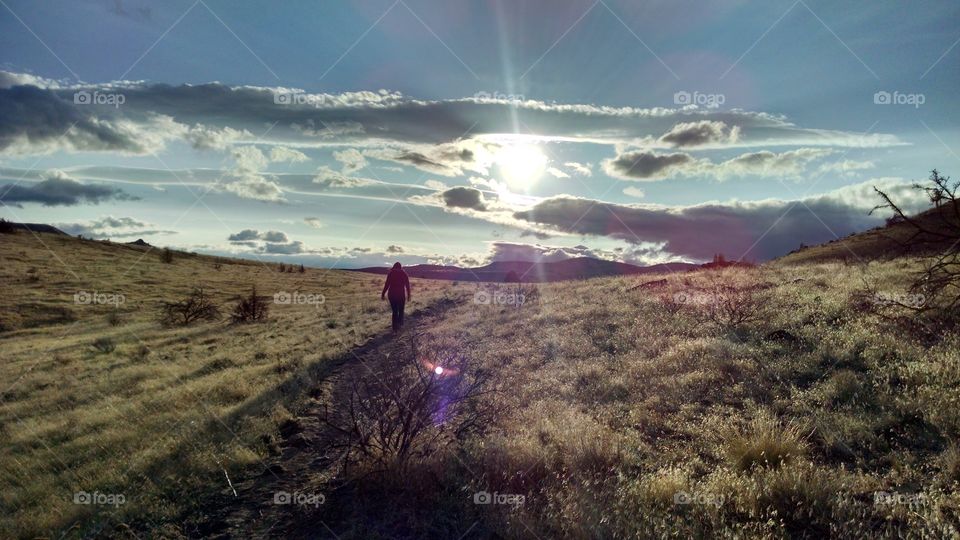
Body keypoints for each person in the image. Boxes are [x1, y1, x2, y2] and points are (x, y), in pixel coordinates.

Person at [381, 262, 411, 332]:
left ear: (394, 267)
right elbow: (407, 286)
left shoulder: (391, 273)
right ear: (400, 267)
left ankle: (395, 328)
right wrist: (409, 295)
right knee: (401, 310)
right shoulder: (404, 274)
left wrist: (383, 294)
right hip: (401, 295)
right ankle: (400, 325)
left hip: (392, 295)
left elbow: (387, 285)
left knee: (395, 311)